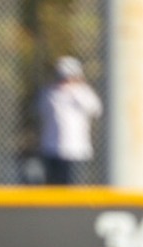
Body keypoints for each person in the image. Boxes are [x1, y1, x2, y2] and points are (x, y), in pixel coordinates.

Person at [35, 56, 102, 186]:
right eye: (62, 76)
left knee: (75, 188)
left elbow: (95, 109)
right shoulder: (49, 93)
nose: (65, 80)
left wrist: (75, 91)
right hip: (51, 149)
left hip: (77, 151)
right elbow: (40, 110)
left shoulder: (83, 93)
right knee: (53, 188)